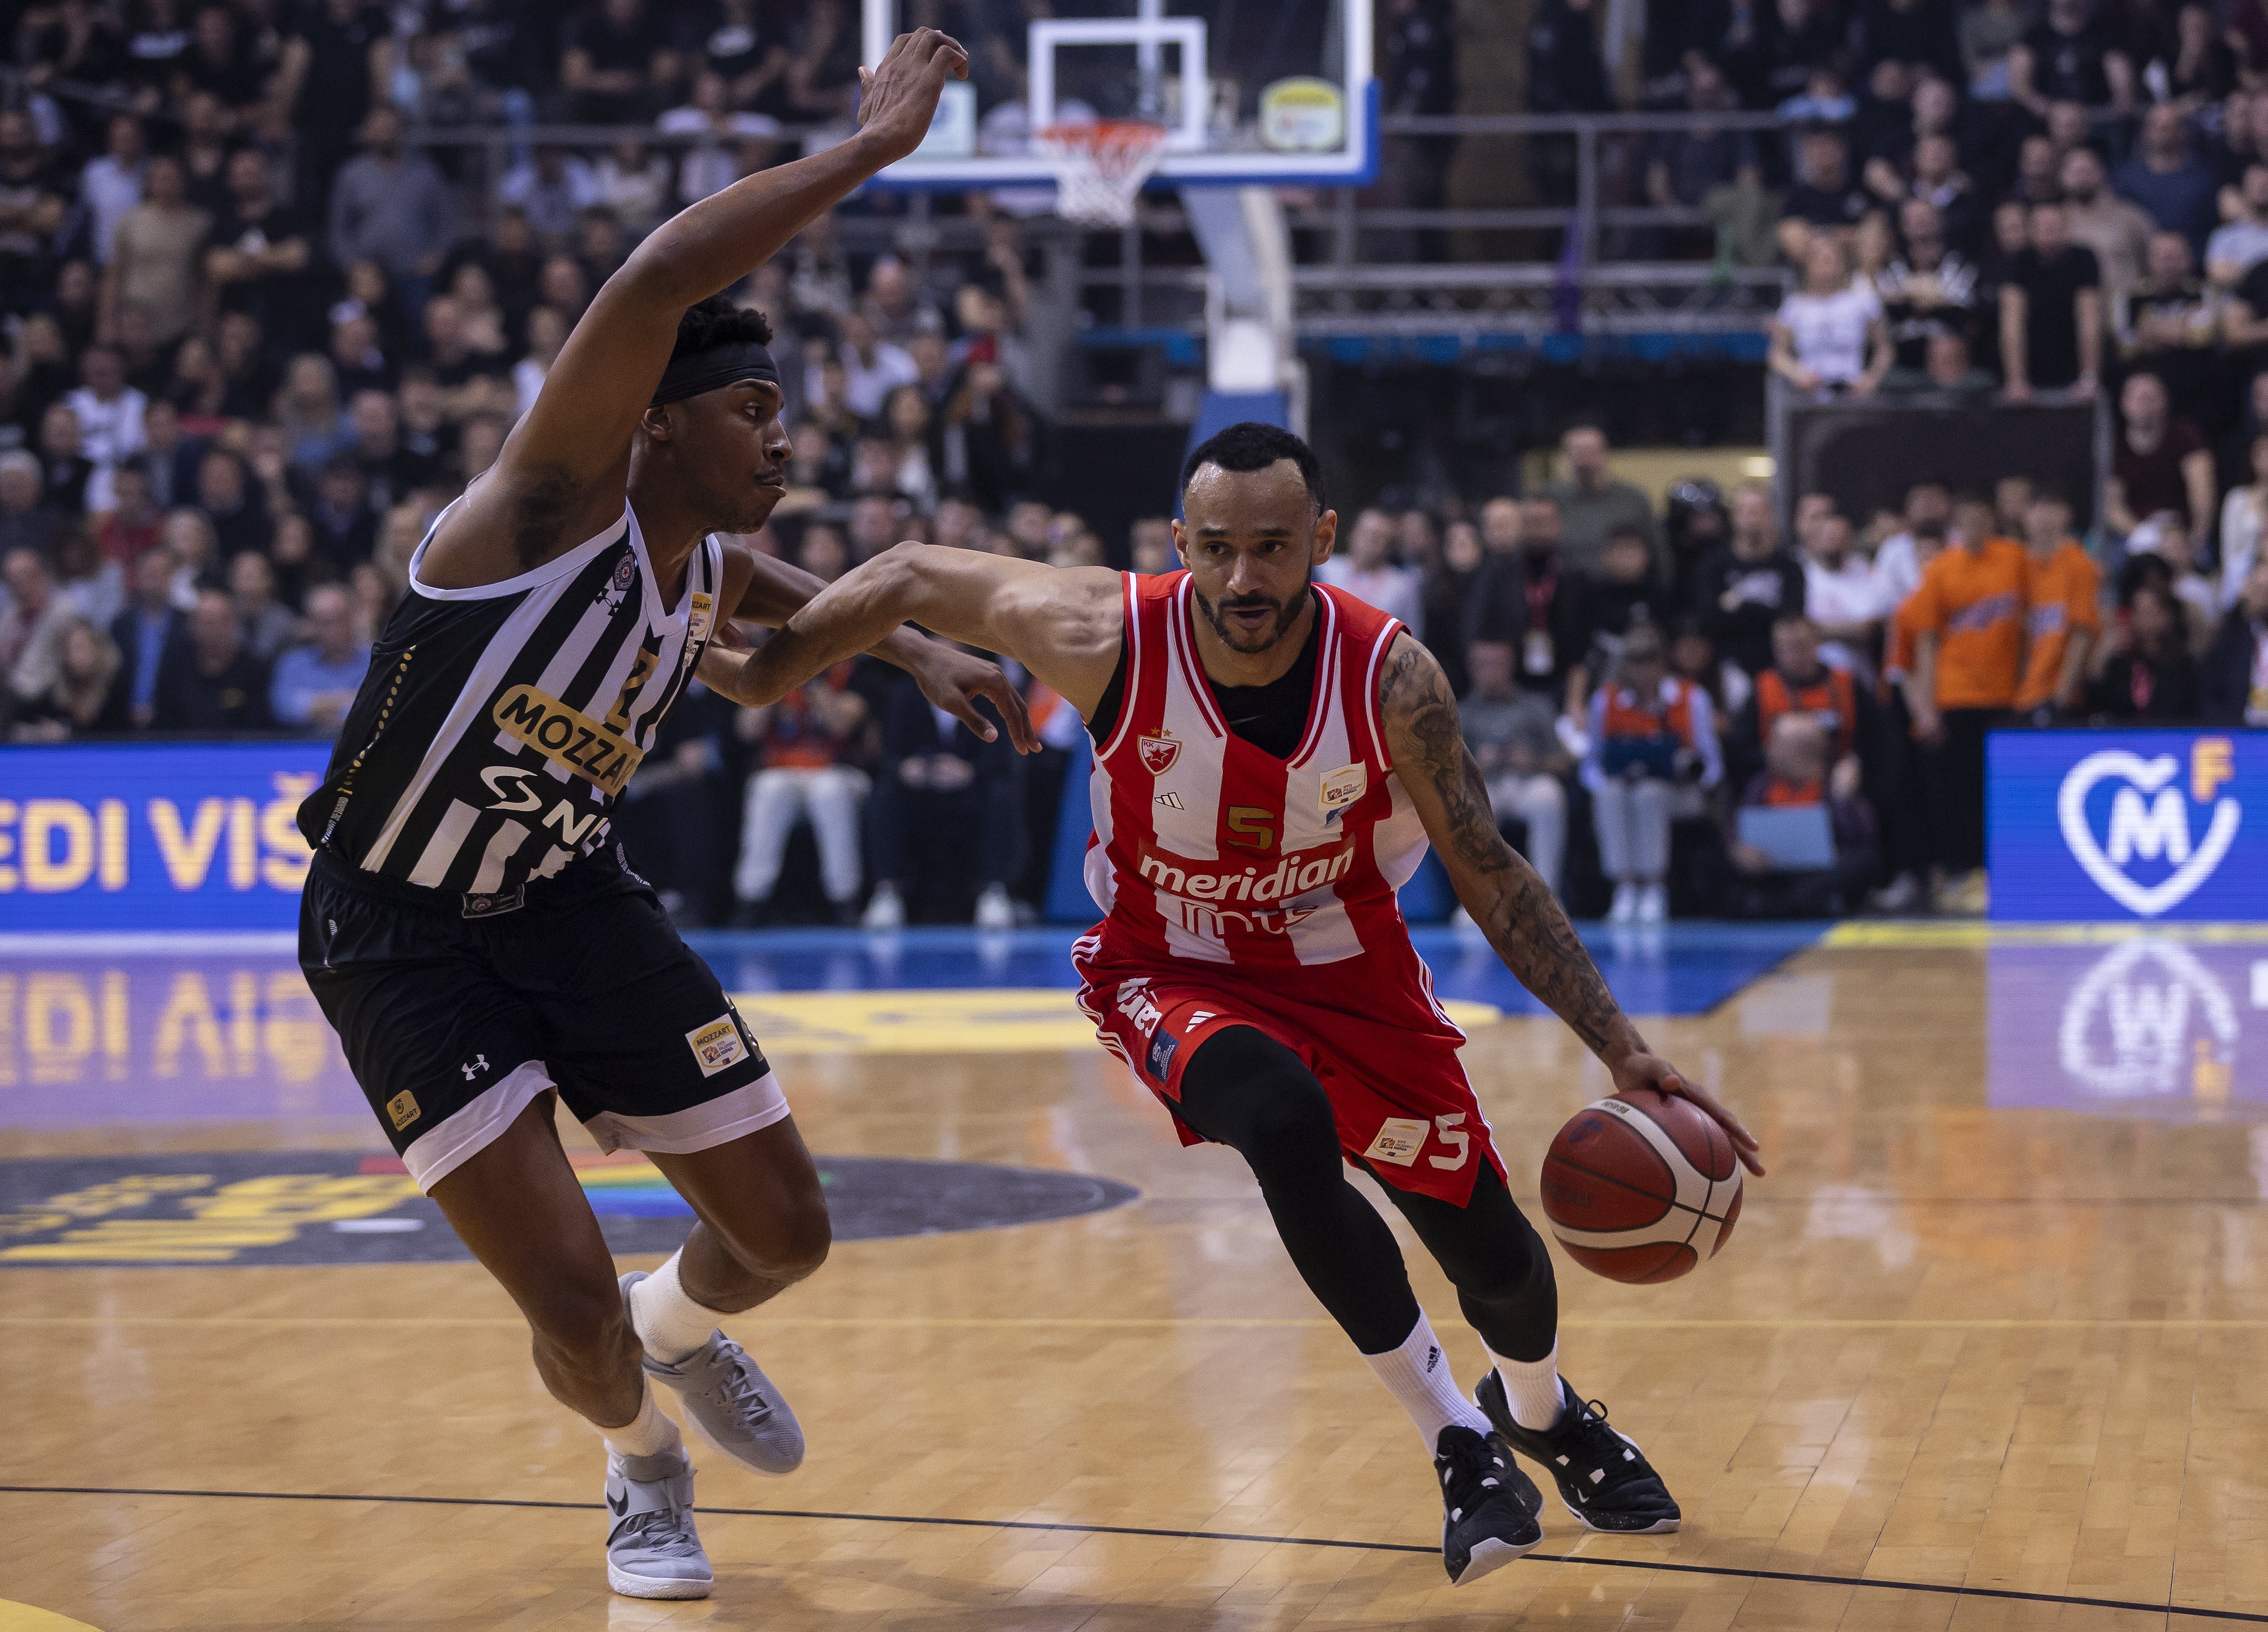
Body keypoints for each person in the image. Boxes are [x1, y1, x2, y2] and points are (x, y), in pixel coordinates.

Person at [702, 420, 1762, 1586]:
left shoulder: (1393, 677)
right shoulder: (1101, 629)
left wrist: (1623, 1047)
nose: (1244, 578)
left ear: (1324, 537)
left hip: (1352, 968)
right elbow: (904, 568)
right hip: (1170, 965)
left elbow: (1492, 871)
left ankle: (1545, 1410)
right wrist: (782, 671)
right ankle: (1457, 1435)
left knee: (1498, 1258)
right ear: (1179, 543)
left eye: (1272, 547)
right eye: (1216, 548)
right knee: (1282, 1117)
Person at [287, 32, 1033, 1603]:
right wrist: (868, 150)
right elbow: (652, 276)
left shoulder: (692, 561)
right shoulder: (538, 512)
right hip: (398, 932)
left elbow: (758, 647)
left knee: (788, 1229)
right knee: (564, 1302)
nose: (783, 435)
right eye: (755, 407)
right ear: (659, 423)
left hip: (569, 900)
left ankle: (683, 1331)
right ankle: (640, 1463)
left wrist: (898, 642)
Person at [1902, 494, 2029, 916]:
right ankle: (1961, 872)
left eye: (1982, 518)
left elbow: (2032, 623)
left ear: (1992, 521)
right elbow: (1925, 639)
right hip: (1956, 694)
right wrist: (1927, 705)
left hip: (2003, 696)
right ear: (1958, 525)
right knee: (1959, 790)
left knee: (2002, 790)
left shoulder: (2013, 560)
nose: (1975, 527)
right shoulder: (1942, 569)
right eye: (1967, 520)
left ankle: (2000, 871)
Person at [1581, 621, 1724, 924]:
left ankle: (1654, 888)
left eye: (1650, 663)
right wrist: (1609, 778)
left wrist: (1688, 773)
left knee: (1650, 794)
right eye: (1635, 663)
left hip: (1681, 794)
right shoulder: (1606, 701)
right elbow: (1590, 764)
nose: (1643, 672)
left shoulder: (1691, 697)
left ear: (1663, 662)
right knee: (1611, 794)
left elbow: (1713, 765)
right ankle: (1624, 887)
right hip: (1623, 787)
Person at [730, 664, 870, 924]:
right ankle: (751, 899)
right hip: (783, 771)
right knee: (768, 789)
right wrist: (777, 680)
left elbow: (840, 725)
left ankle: (845, 899)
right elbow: (746, 730)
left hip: (839, 772)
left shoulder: (851, 672)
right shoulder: (775, 669)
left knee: (829, 792)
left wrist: (813, 677)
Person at [1458, 639, 1571, 903]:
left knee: (1550, 797)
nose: (1490, 672)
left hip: (1528, 784)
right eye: (1482, 665)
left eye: (1497, 665)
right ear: (1471, 669)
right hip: (1485, 788)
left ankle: (1545, 897)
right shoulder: (1460, 712)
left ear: (1511, 666)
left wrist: (1532, 761)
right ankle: (1480, 899)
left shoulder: (1536, 706)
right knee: (1463, 806)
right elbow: (1442, 771)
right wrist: (1475, 764)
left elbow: (1565, 762)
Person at [2012, 491, 2101, 722]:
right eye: (2036, 508)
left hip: (2055, 697)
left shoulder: (2079, 565)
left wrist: (2061, 696)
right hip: (2011, 696)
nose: (2043, 517)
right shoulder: (2014, 565)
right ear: (2024, 517)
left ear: (2066, 516)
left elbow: (2082, 632)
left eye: (2051, 508)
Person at [2086, 582, 2201, 721]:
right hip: (2125, 739)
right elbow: (2100, 707)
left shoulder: (2183, 666)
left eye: (2149, 612)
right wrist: (2101, 658)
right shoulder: (2120, 664)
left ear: (2166, 617)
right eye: (2137, 611)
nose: (2141, 619)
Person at [269, 583, 371, 735]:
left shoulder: (376, 660)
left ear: (353, 618)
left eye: (339, 619)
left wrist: (313, 705)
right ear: (312, 625)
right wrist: (350, 698)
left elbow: (376, 709)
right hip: (305, 751)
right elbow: (284, 707)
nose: (333, 629)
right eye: (324, 622)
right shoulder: (293, 663)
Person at [2201, 555, 2268, 724]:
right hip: (2240, 732)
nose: (2262, 600)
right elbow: (2211, 692)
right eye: (2255, 589)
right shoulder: (2230, 636)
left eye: (2264, 593)